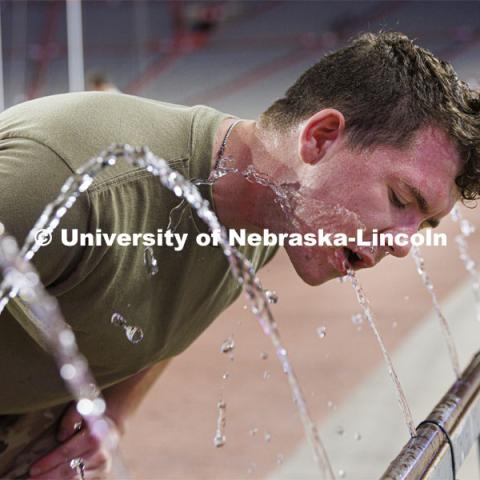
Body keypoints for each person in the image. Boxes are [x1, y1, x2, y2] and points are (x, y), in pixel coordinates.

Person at [0, 31, 479, 479]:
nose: (403, 243)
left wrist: (114, 415)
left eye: (426, 223)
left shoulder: (275, 212)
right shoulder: (65, 185)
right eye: (400, 199)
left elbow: (169, 311)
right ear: (319, 138)